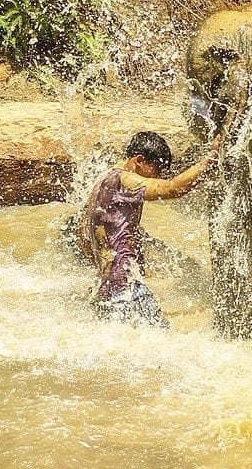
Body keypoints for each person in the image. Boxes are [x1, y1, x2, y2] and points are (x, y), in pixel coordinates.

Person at [76, 132, 219, 328]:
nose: (158, 176)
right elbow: (171, 189)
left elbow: (84, 232)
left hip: (108, 286)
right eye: (156, 169)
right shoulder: (125, 180)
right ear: (139, 161)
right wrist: (210, 160)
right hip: (125, 290)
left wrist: (106, 270)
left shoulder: (103, 180)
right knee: (163, 343)